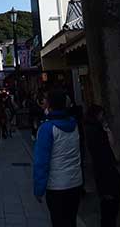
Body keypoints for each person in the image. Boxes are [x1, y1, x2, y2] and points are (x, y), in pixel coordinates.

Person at [33, 90, 83, 227]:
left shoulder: (47, 128)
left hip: (57, 185)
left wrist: (38, 188)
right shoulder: (74, 124)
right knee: (71, 221)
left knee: (59, 221)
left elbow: (41, 162)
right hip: (76, 181)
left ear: (49, 104)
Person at [84, 105, 120, 227]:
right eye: (101, 115)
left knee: (107, 209)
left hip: (102, 173)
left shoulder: (90, 130)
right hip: (107, 172)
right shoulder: (98, 132)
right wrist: (107, 131)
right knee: (110, 209)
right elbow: (113, 150)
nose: (103, 117)